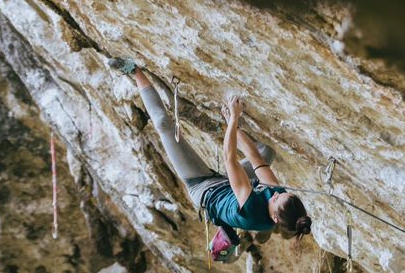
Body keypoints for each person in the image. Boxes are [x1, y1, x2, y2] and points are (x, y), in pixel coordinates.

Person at [108, 57, 312, 248]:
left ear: (274, 219)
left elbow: (229, 158)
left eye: (276, 199)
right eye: (282, 194)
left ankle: (134, 70)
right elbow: (256, 158)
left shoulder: (253, 211)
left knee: (164, 125)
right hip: (229, 186)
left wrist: (233, 118)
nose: (275, 195)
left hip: (203, 187)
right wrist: (231, 125)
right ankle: (226, 130)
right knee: (266, 152)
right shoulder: (281, 196)